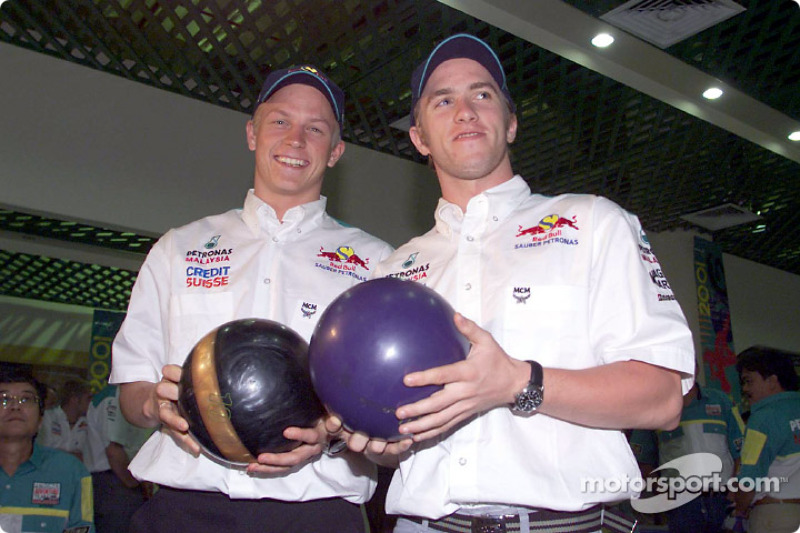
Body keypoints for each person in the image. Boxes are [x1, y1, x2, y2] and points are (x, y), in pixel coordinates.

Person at [341, 33, 696, 533]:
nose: (464, 111)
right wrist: (387, 444)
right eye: (442, 100)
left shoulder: (592, 222)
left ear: (510, 124)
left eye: (482, 94)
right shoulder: (394, 271)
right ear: (419, 138)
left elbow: (663, 399)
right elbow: (394, 449)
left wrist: (519, 382)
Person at [109, 64, 394, 533]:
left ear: (337, 151)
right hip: (185, 510)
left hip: (317, 512)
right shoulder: (179, 247)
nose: (296, 139)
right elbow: (134, 385)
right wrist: (156, 406)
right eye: (280, 120)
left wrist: (332, 434)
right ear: (252, 133)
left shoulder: (376, 263)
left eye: (316, 128)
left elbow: (384, 406)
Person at [630, 381, 744, 532]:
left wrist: (735, 491)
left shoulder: (721, 400)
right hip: (680, 503)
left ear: (694, 368)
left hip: (722, 499)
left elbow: (741, 453)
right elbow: (644, 462)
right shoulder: (652, 408)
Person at [0, 366, 94, 533]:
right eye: (4, 399)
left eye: (26, 399)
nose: (15, 406)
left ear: (41, 420)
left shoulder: (72, 472)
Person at [733, 346, 800, 533]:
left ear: (772, 381)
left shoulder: (762, 418)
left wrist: (740, 508)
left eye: (748, 381)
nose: (745, 389)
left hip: (777, 515)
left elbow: (749, 478)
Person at [85, 384, 153, 533]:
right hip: (115, 482)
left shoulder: (123, 396)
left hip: (116, 481)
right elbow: (114, 451)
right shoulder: (114, 397)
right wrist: (134, 483)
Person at [37, 379, 92, 463]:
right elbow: (43, 452)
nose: (90, 403)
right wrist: (74, 456)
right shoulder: (47, 417)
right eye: (88, 399)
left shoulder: (88, 422)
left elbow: (91, 458)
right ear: (74, 400)